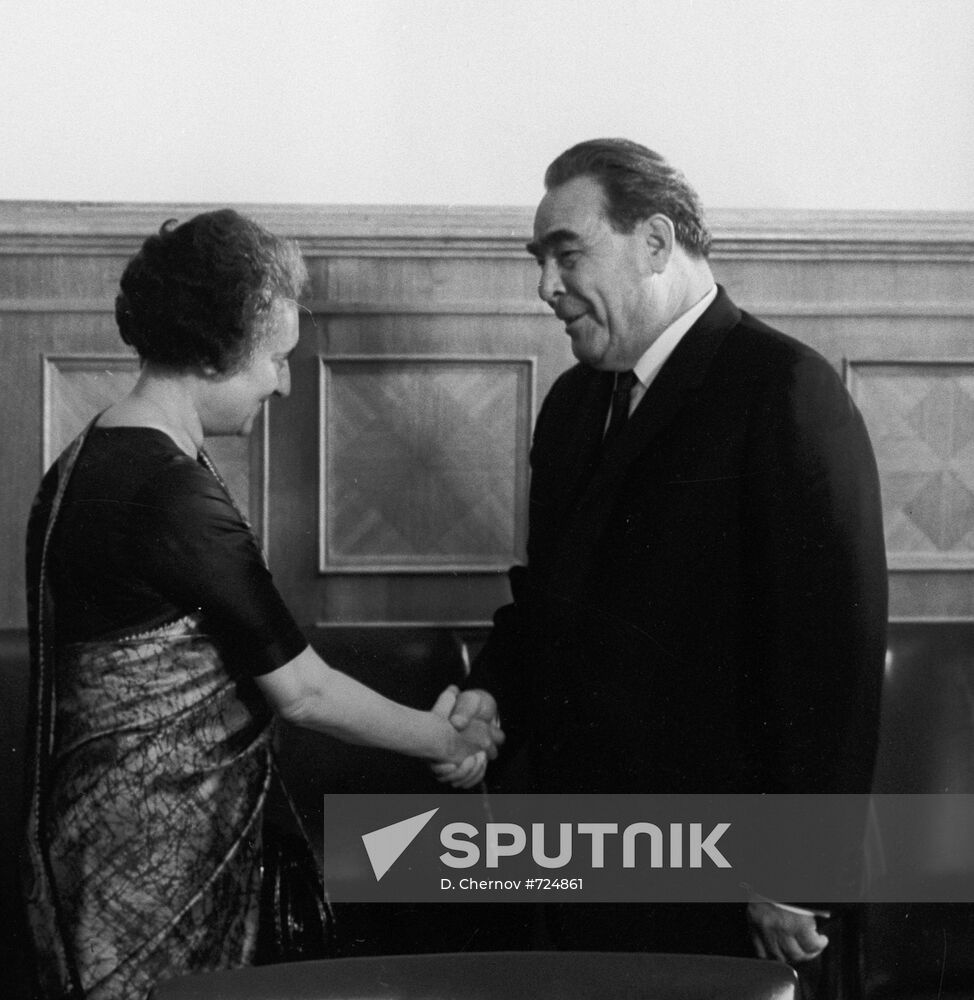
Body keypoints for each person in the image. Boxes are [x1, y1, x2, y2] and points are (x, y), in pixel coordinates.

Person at [22, 209, 502, 1000]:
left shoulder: (98, 452)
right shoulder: (169, 492)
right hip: (149, 864)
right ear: (214, 354)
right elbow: (302, 689)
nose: (283, 381)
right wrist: (442, 740)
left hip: (102, 844)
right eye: (275, 359)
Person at [447, 139, 888, 983]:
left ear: (654, 242)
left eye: (567, 254)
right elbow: (551, 603)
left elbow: (834, 659)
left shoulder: (785, 390)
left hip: (729, 890)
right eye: (540, 260)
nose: (546, 287)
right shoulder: (574, 403)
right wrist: (488, 690)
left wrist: (794, 873)